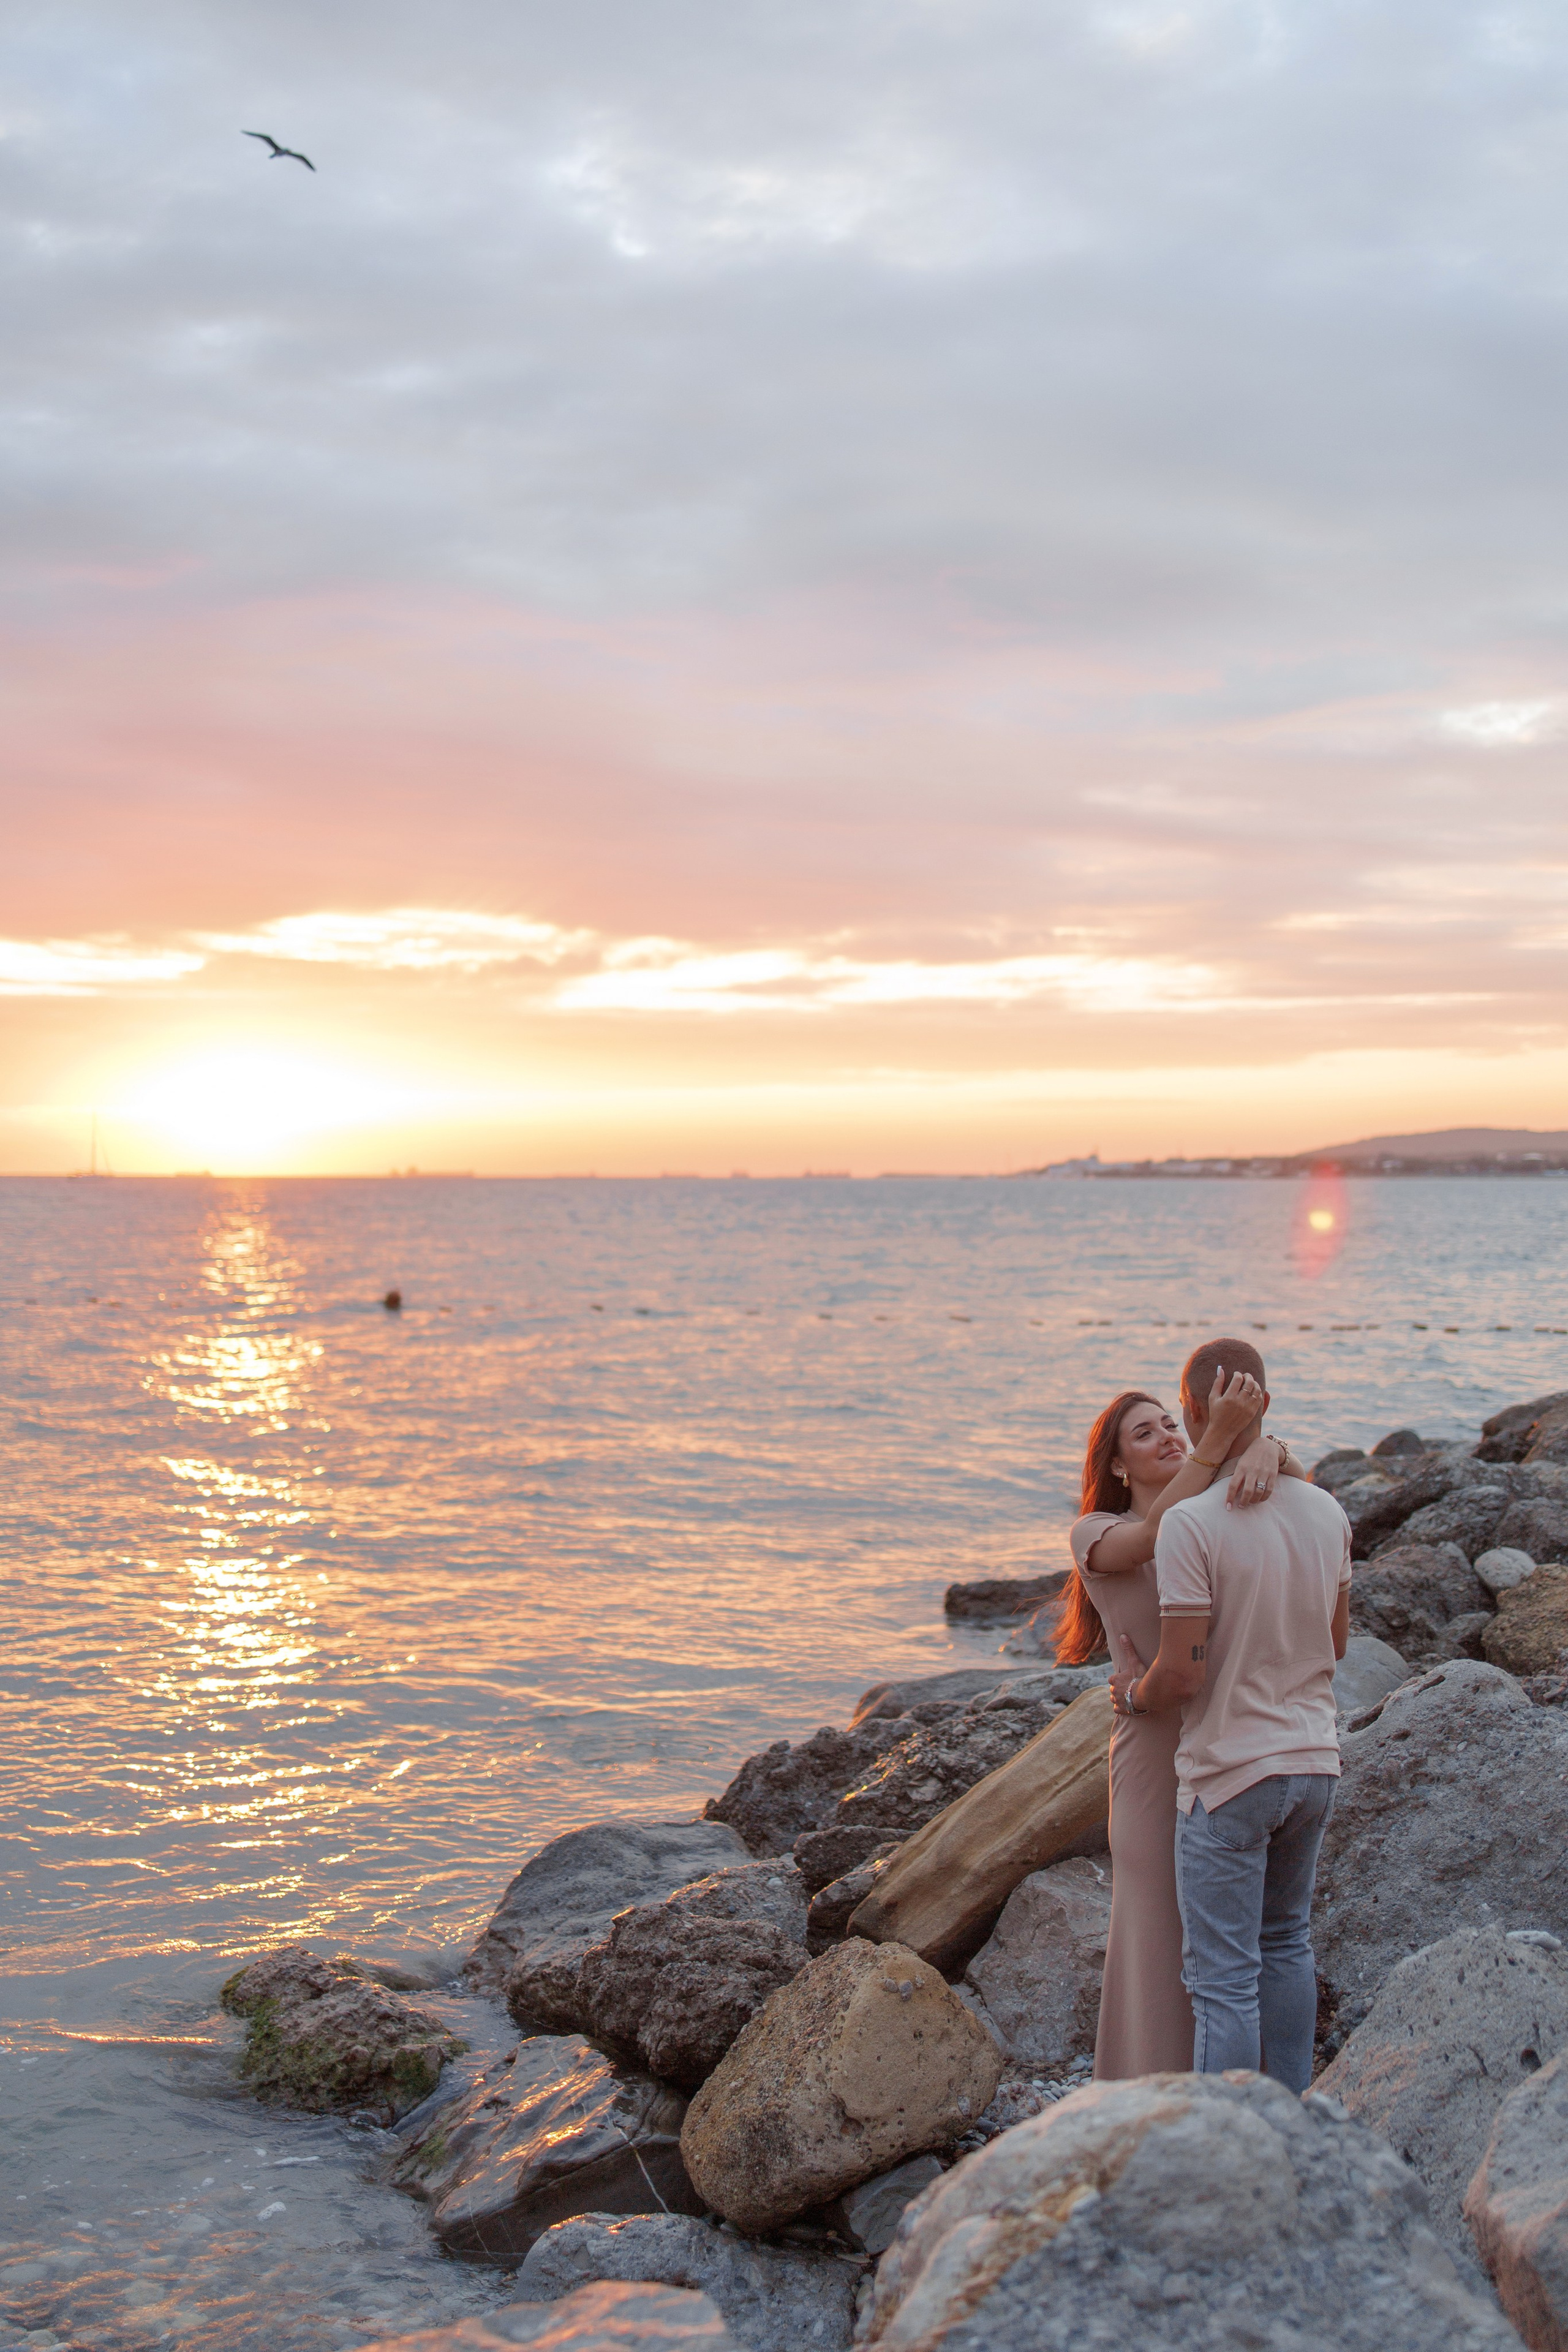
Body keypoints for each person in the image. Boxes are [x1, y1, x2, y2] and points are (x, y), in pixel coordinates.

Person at [1109, 1337, 1351, 2093]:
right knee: (1286, 1945)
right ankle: (1293, 2121)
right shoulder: (1328, 1510)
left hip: (1229, 1777)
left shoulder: (1192, 1523)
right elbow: (1336, 1645)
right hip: (1314, 1764)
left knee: (1223, 1982)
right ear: (1264, 1403)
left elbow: (1182, 1674)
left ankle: (1231, 2136)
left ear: (1193, 1412)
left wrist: (1132, 1694)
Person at [1061, 1373, 1307, 2079]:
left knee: (1236, 1944)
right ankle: (1143, 2101)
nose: (1167, 1436)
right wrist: (1221, 1440)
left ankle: (1236, 2099)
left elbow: (1305, 1503)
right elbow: (1150, 1537)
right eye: (1144, 1433)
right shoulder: (1097, 1533)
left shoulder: (1211, 1513)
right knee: (1158, 1936)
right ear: (1116, 1465)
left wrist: (1269, 1448)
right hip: (1151, 1756)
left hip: (1232, 1748)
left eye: (1171, 1423)